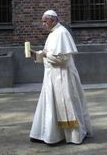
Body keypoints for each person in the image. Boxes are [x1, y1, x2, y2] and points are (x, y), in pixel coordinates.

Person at [29, 10, 92, 145]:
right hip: (52, 76)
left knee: (67, 104)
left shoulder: (62, 33)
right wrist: (36, 54)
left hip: (63, 76)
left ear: (53, 20)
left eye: (45, 21)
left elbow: (63, 58)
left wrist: (45, 55)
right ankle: (48, 134)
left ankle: (74, 135)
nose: (43, 24)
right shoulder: (53, 34)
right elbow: (48, 53)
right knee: (50, 104)